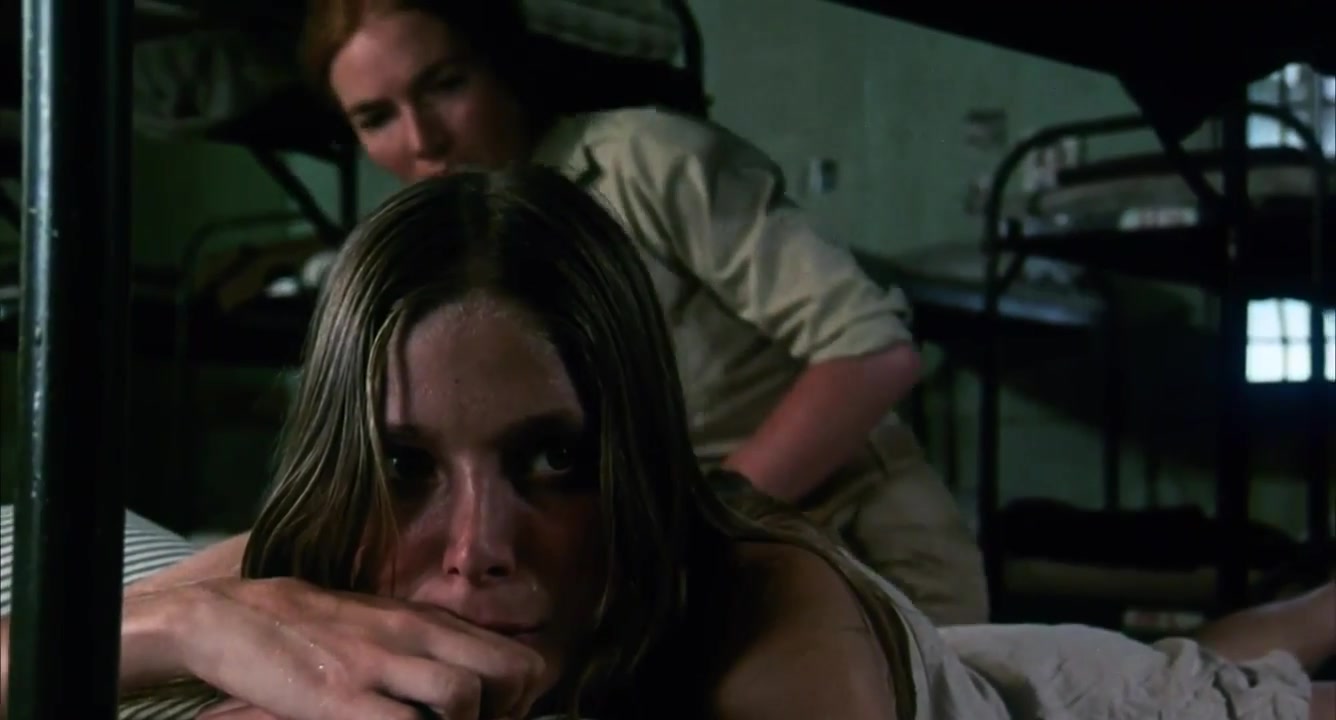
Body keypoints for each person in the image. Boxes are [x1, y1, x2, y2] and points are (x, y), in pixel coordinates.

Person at [1, 168, 1331, 720]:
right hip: (982, 661)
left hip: (1016, 702)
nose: (474, 552)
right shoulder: (334, 556)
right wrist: (181, 626)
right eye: (408, 468)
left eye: (552, 461)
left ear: (629, 458)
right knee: (1219, 644)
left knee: (1229, 691)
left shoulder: (774, 604)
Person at [195, 0, 988, 627]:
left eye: (445, 84)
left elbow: (872, 351)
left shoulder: (645, 163)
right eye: (376, 118)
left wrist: (690, 529)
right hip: (662, 582)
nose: (423, 139)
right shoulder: (437, 255)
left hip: (854, 546)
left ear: (500, 64)